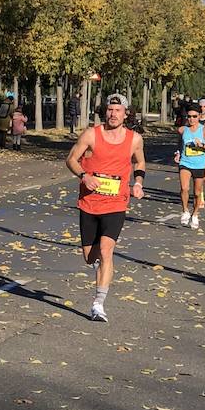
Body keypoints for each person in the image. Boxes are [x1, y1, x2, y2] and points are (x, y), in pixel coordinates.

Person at [64, 93, 145, 322]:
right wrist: (84, 175)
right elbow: (71, 159)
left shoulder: (134, 139)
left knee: (108, 251)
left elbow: (139, 162)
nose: (113, 114)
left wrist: (138, 183)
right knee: (90, 257)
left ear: (125, 114)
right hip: (89, 202)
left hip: (116, 203)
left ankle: (98, 303)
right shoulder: (91, 134)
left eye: (118, 111)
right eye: (110, 110)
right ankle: (99, 266)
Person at [177, 104, 205, 229]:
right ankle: (185, 211)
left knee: (197, 193)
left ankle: (195, 214)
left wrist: (202, 145)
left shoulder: (204, 130)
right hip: (185, 162)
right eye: (189, 116)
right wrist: (177, 152)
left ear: (199, 116)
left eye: (194, 116)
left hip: (199, 164)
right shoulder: (182, 130)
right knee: (184, 188)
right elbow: (180, 143)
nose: (191, 119)